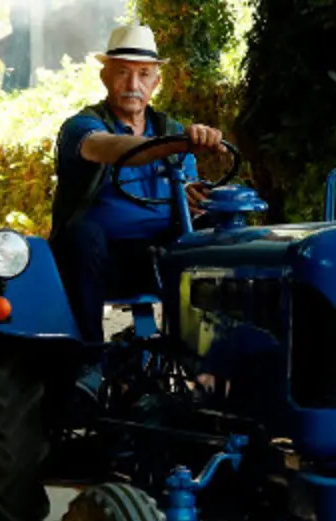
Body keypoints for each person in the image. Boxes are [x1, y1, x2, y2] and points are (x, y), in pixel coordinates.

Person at [49, 24, 228, 392]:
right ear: (105, 77)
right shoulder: (83, 127)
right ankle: (89, 363)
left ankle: (211, 364)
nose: (133, 84)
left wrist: (197, 200)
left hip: (160, 256)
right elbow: (108, 148)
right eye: (122, 72)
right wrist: (174, 144)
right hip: (102, 262)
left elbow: (187, 191)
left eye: (144, 74)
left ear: (156, 82)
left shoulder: (169, 128)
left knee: (219, 231)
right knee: (83, 234)